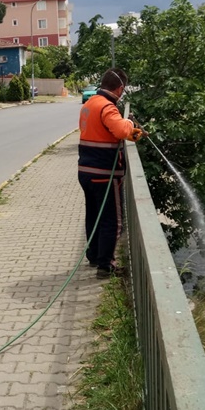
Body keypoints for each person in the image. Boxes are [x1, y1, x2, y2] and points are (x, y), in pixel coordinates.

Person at [78, 68, 144, 278]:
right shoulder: (107, 107)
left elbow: (108, 131)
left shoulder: (90, 104)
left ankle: (94, 256)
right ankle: (106, 265)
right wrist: (131, 124)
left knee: (93, 216)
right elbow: (121, 130)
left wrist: (135, 133)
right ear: (120, 88)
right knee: (111, 221)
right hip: (104, 173)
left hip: (85, 171)